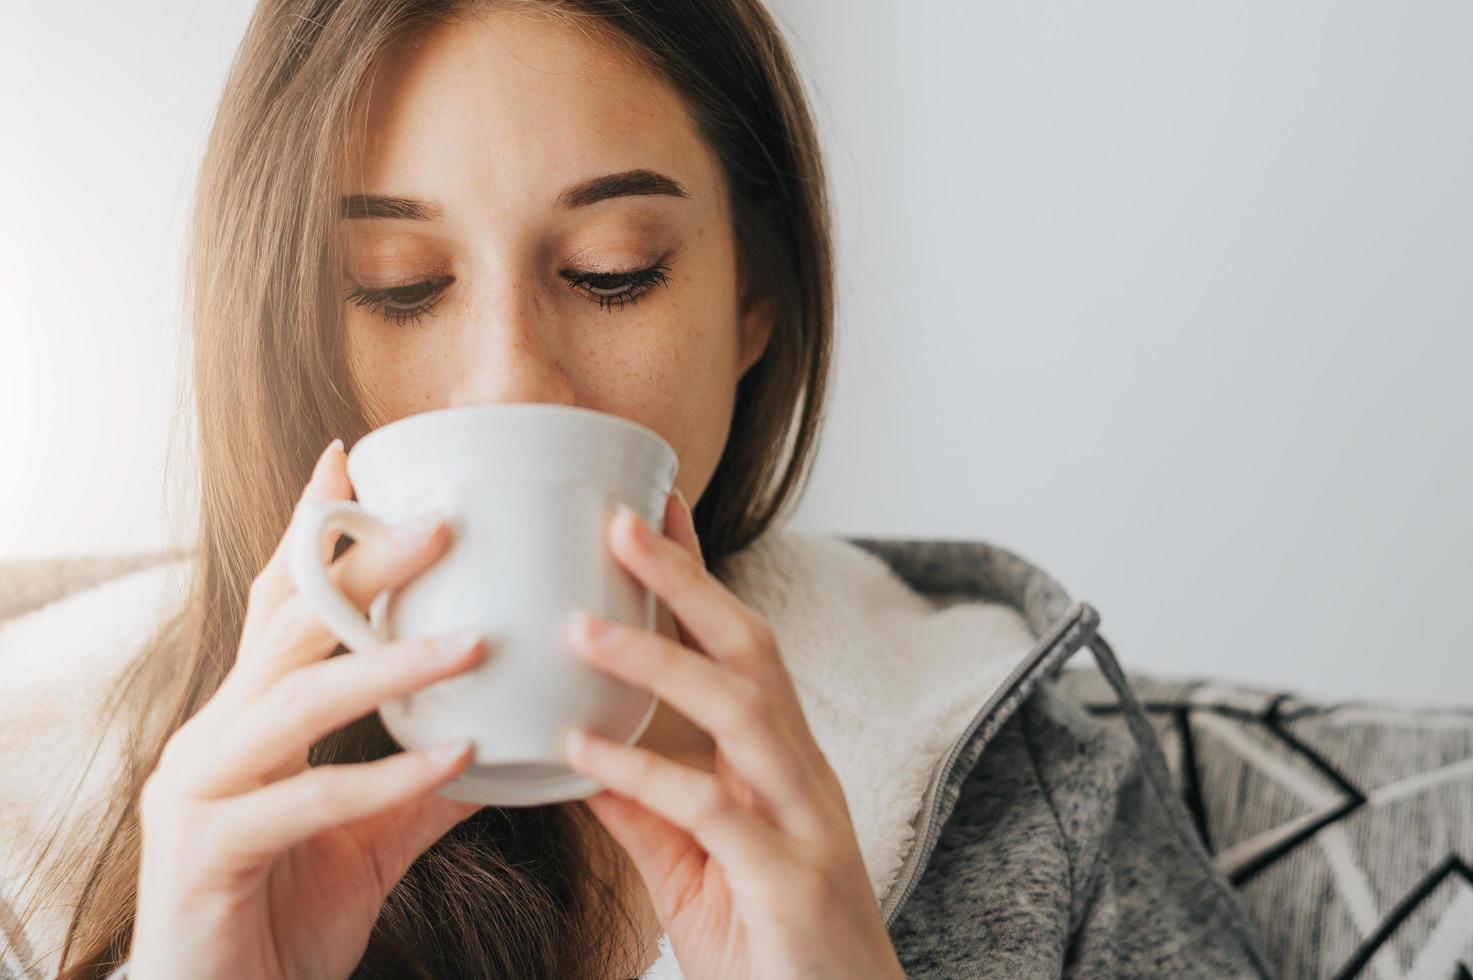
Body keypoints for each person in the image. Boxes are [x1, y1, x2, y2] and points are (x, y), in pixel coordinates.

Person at [4, 1, 1272, 977]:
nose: (509, 378)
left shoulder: (1034, 788)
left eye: (614, 271)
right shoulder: (28, 799)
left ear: (753, 301)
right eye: (395, 283)